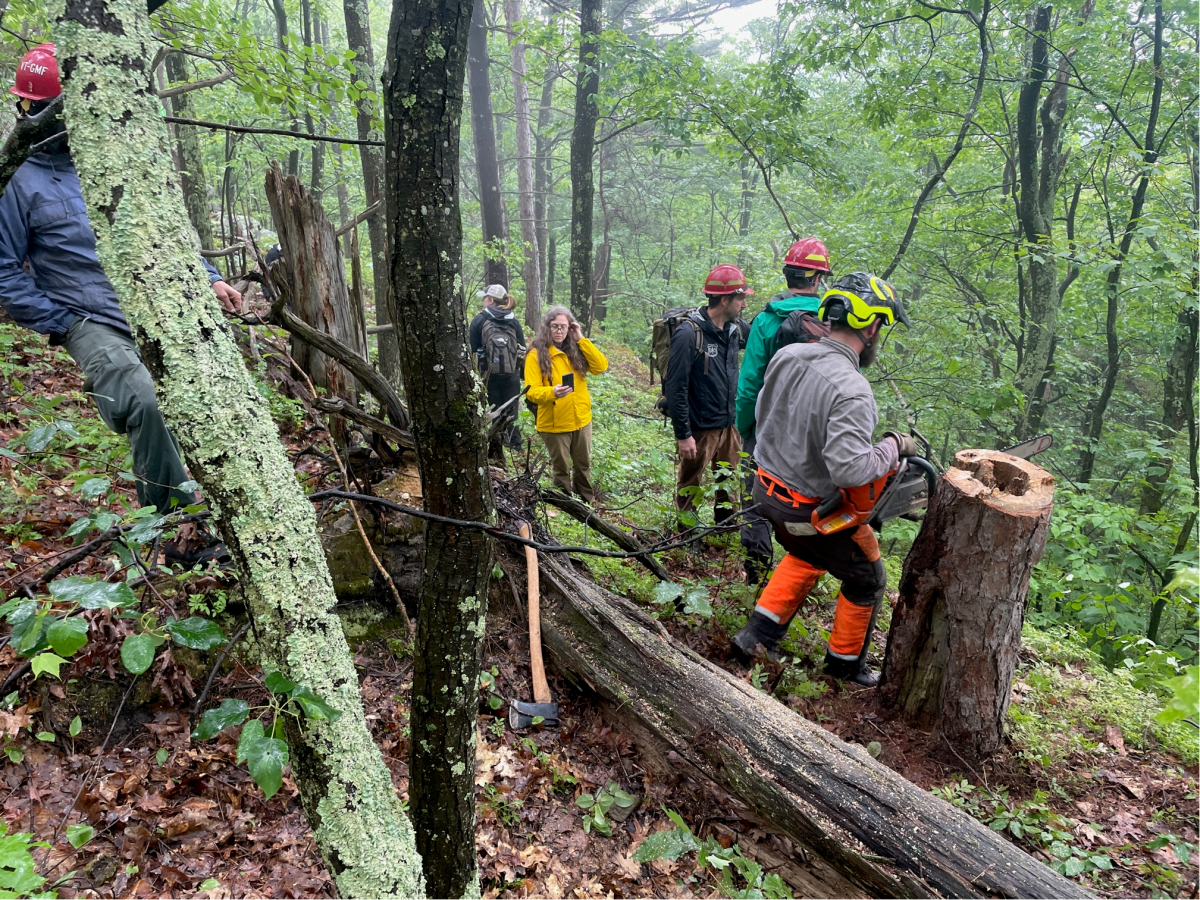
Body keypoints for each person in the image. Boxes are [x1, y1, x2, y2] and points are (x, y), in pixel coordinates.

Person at [0, 44, 242, 562]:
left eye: (45, 107)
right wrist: (60, 323)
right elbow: (2, 271)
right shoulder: (16, 179)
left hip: (153, 301)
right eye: (28, 107)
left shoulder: (113, 159)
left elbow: (166, 231)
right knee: (144, 401)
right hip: (87, 318)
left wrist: (208, 278)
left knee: (215, 391)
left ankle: (234, 506)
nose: (36, 118)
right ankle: (177, 532)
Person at [730, 272, 915, 686]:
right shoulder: (853, 389)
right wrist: (893, 446)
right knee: (868, 577)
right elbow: (850, 469)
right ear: (871, 327)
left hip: (765, 493)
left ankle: (757, 635)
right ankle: (844, 665)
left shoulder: (790, 355)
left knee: (810, 554)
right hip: (806, 509)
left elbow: (763, 415)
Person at [736, 238, 832, 584]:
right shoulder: (834, 322)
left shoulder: (766, 321)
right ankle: (799, 575)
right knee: (807, 503)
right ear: (818, 279)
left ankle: (757, 573)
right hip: (814, 434)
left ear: (787, 274)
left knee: (755, 499)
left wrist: (746, 427)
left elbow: (749, 384)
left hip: (766, 429)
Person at [663, 264, 750, 529]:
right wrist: (683, 434)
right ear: (725, 300)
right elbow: (675, 387)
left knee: (729, 481)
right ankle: (687, 534)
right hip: (699, 428)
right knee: (691, 484)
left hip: (729, 424)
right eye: (741, 298)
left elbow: (763, 333)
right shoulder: (689, 334)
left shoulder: (736, 330)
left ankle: (725, 529)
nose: (745, 304)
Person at [525, 306, 607, 503]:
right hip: (555, 423)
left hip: (581, 419)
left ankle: (586, 502)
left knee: (583, 465)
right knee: (561, 469)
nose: (559, 331)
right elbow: (531, 391)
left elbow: (601, 366)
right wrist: (552, 392)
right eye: (555, 326)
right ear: (547, 327)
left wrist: (580, 337)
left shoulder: (576, 349)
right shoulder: (536, 354)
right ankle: (565, 504)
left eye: (564, 326)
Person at [468, 284, 526, 449]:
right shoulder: (513, 320)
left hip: (488, 374)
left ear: (490, 299)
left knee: (494, 409)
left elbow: (472, 350)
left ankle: (496, 446)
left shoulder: (479, 320)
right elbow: (522, 348)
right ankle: (515, 446)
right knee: (510, 410)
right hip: (511, 374)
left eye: (484, 297)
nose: (483, 300)